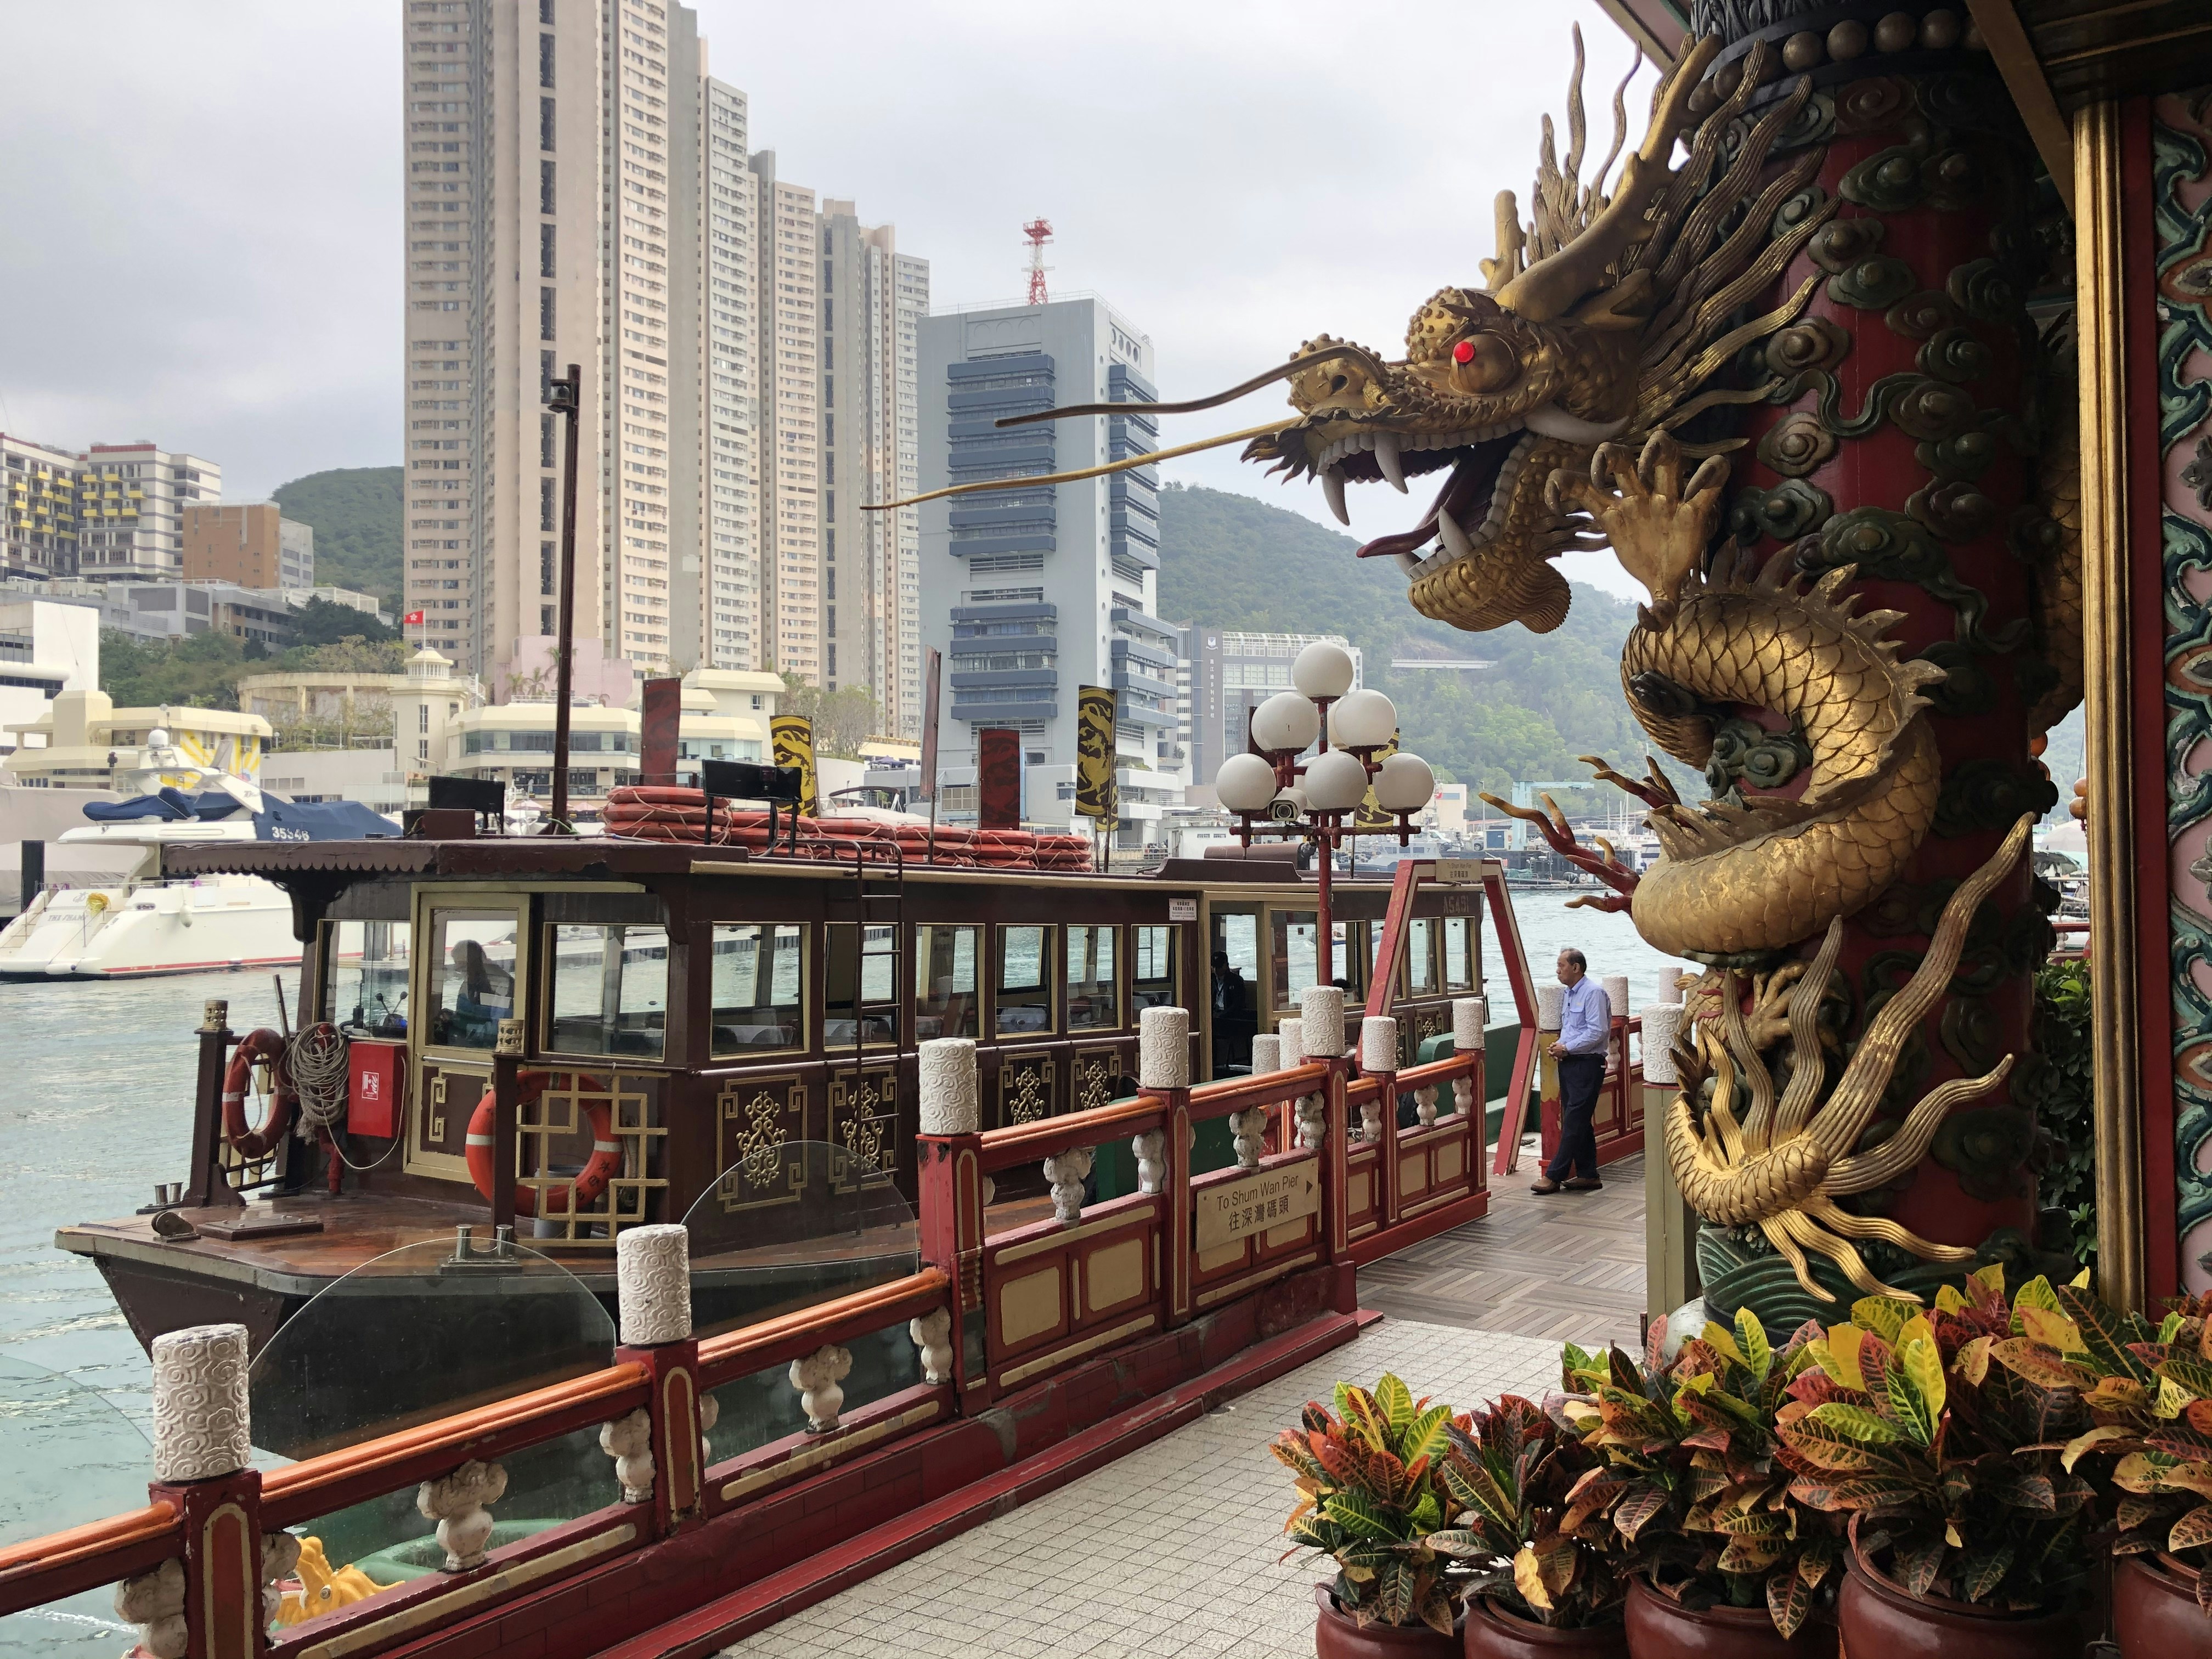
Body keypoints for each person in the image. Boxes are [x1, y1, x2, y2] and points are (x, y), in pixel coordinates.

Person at [1532, 947, 1611, 1195]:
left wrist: (1568, 1047)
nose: (1558, 970)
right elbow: (1572, 1028)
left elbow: (1597, 1031)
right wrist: (1559, 1047)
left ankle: (1554, 1175)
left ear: (1576, 968)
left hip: (1588, 1064)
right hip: (1570, 1063)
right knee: (1578, 1120)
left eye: (1561, 965)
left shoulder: (1593, 993)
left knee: (1575, 1120)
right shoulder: (1569, 994)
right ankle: (1588, 1174)